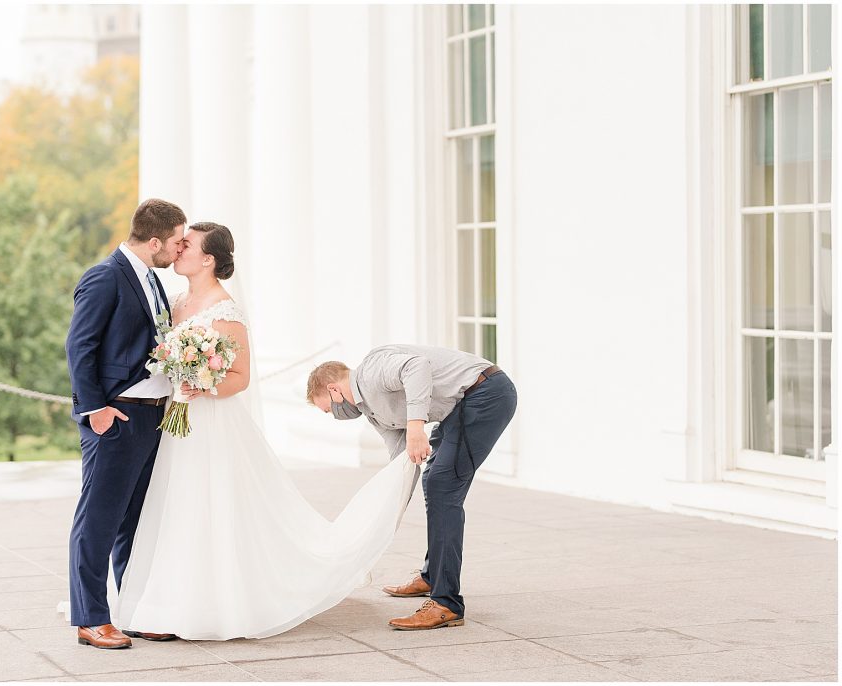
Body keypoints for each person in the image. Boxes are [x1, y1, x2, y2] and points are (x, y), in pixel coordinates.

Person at [110, 222, 420, 641]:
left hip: (212, 422)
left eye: (188, 245)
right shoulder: (177, 300)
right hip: (177, 422)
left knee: (209, 506)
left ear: (208, 259)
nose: (178, 249)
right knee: (175, 504)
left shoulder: (225, 310)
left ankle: (211, 604)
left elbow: (240, 377)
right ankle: (166, 601)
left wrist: (202, 385)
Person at [307, 346, 517, 630]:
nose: (335, 414)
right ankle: (433, 577)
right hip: (461, 406)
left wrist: (416, 428)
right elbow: (402, 461)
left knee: (443, 486)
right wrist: (384, 518)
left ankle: (447, 603)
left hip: (486, 392)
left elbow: (417, 367)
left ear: (334, 390)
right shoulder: (372, 411)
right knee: (434, 480)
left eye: (328, 409)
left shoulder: (371, 370)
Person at [65, 198, 184, 649]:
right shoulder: (104, 276)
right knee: (98, 518)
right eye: (175, 242)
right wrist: (94, 409)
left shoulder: (151, 278)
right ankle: (91, 617)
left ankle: (134, 611)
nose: (178, 250)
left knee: (135, 520)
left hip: (153, 417)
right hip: (116, 415)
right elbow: (80, 347)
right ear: (154, 240)